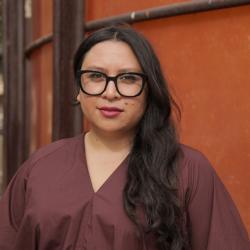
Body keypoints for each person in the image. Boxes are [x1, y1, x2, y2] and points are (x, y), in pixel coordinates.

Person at [0, 25, 249, 250]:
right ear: (78, 89)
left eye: (128, 79)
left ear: (149, 89)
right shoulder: (40, 168)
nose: (110, 93)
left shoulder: (188, 171)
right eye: (96, 76)